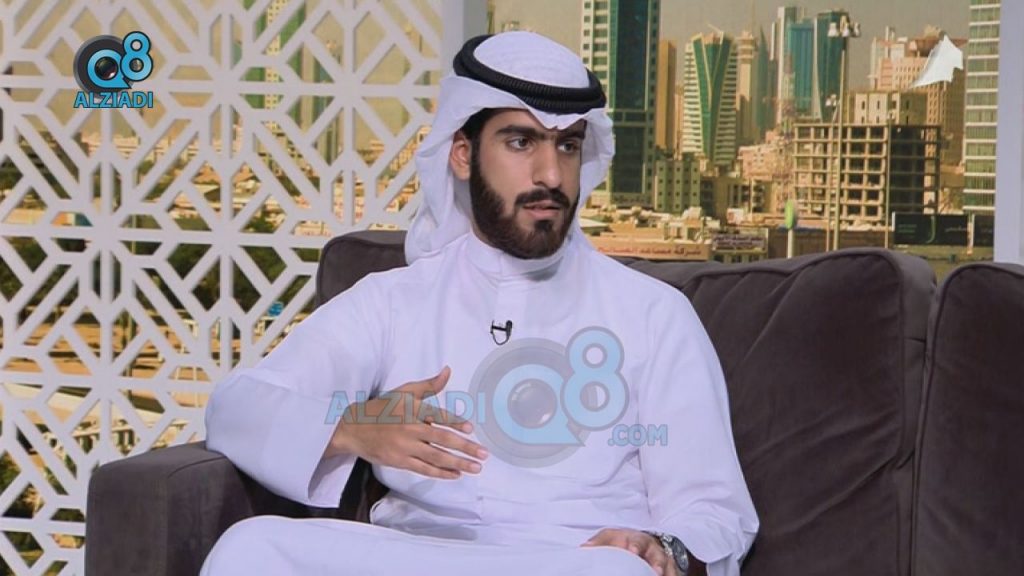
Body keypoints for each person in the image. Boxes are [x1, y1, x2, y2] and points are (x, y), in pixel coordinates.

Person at [200, 31, 758, 576]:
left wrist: (663, 547)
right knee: (252, 548)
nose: (551, 174)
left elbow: (713, 508)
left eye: (567, 146)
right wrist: (350, 427)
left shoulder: (655, 314)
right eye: (521, 143)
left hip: (570, 559)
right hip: (418, 554)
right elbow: (237, 407)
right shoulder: (394, 301)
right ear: (463, 155)